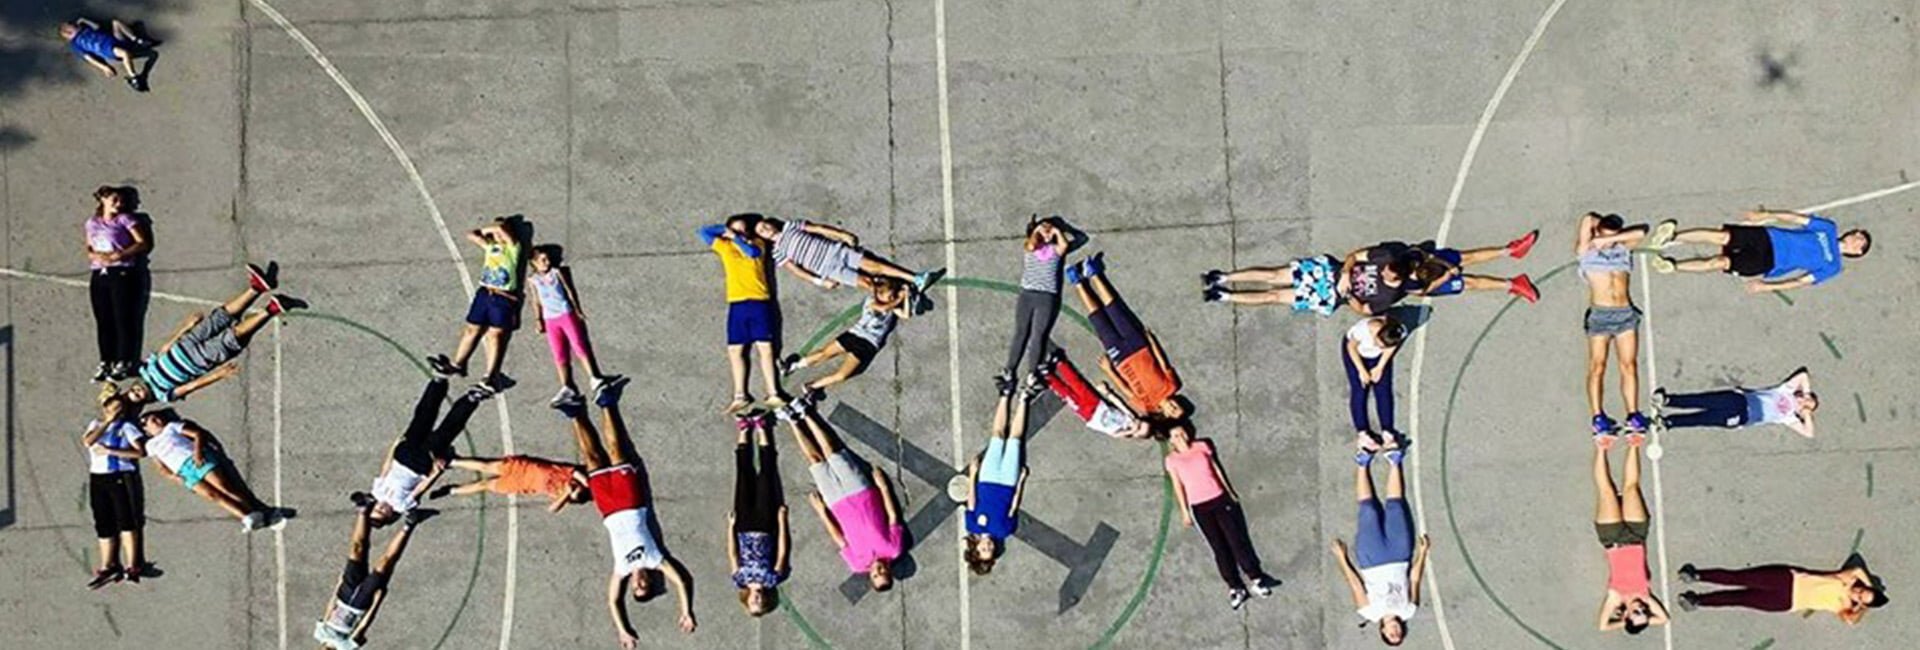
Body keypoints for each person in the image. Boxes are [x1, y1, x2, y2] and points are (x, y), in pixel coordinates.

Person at [566, 387, 697, 643]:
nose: (639, 584)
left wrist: (623, 630)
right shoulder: (654, 559)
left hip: (608, 509)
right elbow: (682, 581)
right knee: (616, 451)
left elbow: (613, 600)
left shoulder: (622, 568)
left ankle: (575, 413)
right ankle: (606, 403)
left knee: (592, 458)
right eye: (644, 586)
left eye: (636, 588)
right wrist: (686, 611)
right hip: (631, 502)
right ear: (651, 581)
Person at [119, 263, 305, 406]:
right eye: (138, 396)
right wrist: (218, 375)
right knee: (232, 338)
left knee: (220, 316)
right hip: (198, 360)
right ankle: (271, 309)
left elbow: (164, 349)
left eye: (133, 390)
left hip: (186, 343)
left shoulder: (146, 370)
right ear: (145, 400)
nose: (137, 391)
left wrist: (186, 327)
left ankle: (257, 288)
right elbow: (192, 385)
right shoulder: (164, 395)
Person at [777, 395, 904, 592]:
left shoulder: (857, 564)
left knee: (815, 460)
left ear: (870, 576)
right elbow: (893, 517)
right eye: (883, 572)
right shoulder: (893, 549)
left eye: (875, 575)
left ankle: (792, 420)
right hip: (861, 492)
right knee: (832, 453)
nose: (878, 570)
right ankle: (805, 412)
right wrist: (883, 487)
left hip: (837, 504)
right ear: (889, 571)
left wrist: (822, 511)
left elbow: (839, 539)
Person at [1163, 422, 1281, 609]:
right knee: (1219, 548)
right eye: (1175, 436)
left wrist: (1229, 491)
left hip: (1219, 498)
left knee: (1237, 540)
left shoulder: (1202, 446)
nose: (1180, 437)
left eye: (1181, 432)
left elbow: (1216, 469)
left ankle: (1256, 578)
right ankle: (1235, 587)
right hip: (1200, 507)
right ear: (1171, 441)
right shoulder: (1172, 460)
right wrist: (1185, 511)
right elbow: (1178, 485)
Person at [1331, 446, 1432, 646]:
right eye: (1399, 634)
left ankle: (1363, 464)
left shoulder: (1369, 612)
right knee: (1396, 505)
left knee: (1368, 509)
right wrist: (1422, 554)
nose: (1395, 632)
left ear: (1383, 631)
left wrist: (1342, 558)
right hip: (1399, 555)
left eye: (1391, 635)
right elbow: (1414, 579)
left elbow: (1355, 584)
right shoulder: (1408, 610)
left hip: (1372, 559)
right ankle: (1395, 461)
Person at [130, 409, 292, 531]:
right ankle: (247, 517)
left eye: (157, 417)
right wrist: (175, 477)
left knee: (224, 488)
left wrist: (198, 453)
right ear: (146, 429)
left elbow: (197, 434)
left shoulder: (171, 427)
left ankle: (258, 511)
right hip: (183, 472)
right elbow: (160, 466)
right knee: (213, 496)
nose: (157, 420)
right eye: (152, 420)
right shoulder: (150, 445)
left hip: (195, 460)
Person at [1067, 254, 1185, 419]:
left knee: (1098, 319)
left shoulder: (1147, 407)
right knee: (1115, 309)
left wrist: (1109, 371)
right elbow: (1163, 363)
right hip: (1139, 348)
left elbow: (1125, 390)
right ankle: (1093, 274)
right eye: (1176, 406)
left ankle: (1078, 282)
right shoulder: (1173, 386)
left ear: (1165, 415)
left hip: (1121, 360)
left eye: (1172, 411)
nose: (1172, 407)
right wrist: (1152, 341)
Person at [366, 375, 494, 527]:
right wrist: (435, 472)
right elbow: (420, 488)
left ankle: (438, 382)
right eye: (382, 512)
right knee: (447, 430)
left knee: (423, 417)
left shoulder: (377, 492)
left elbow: (385, 470)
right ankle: (472, 398)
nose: (380, 507)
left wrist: (393, 448)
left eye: (376, 509)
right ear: (389, 515)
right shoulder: (401, 505)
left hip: (402, 455)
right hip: (419, 465)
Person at [312, 494, 435, 650]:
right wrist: (377, 602)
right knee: (384, 564)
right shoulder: (346, 647)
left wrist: (338, 585)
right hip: (361, 603)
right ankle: (410, 523)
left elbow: (329, 610)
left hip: (344, 593)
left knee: (357, 549)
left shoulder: (320, 634)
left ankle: (364, 508)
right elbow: (364, 625)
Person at [1647, 209, 1871, 293]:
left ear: (1856, 254)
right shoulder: (1828, 229)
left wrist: (1768, 287)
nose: (1855, 240)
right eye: (1858, 235)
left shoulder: (1832, 266)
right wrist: (1767, 215)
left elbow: (1801, 281)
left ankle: (1672, 266)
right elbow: (1796, 219)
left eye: (1860, 244)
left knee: (1720, 262)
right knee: (1722, 236)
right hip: (1768, 236)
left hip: (1769, 262)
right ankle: (1672, 236)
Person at [1576, 213, 1655, 435]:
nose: (1609, 242)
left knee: (1629, 365)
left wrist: (1611, 239)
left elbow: (1642, 231)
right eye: (1604, 236)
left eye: (1614, 237)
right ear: (1597, 232)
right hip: (1600, 314)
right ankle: (1598, 417)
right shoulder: (1586, 251)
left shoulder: (1622, 249)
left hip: (1624, 313)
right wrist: (1598, 239)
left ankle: (1633, 415)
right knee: (1597, 366)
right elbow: (1588, 218)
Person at [700, 215, 787, 413]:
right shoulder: (724, 246)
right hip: (737, 303)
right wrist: (727, 232)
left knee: (766, 349)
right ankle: (740, 395)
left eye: (744, 230)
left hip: (759, 301)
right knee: (735, 350)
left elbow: (752, 253)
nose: (742, 233)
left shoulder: (757, 244)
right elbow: (703, 232)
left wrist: (737, 238)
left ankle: (773, 392)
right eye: (737, 230)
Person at [429, 217, 527, 391]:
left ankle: (490, 375)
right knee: (471, 330)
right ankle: (458, 364)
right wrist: (488, 233)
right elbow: (471, 235)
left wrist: (497, 229)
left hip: (503, 296)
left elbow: (501, 230)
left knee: (494, 335)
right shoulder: (491, 247)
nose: (498, 235)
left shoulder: (513, 248)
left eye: (502, 232)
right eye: (495, 234)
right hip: (484, 293)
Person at [1591, 426, 1671, 635]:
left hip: (1612, 538)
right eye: (1645, 612)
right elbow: (1664, 619)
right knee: (1631, 487)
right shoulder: (1644, 595)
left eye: (1637, 613)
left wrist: (1622, 623)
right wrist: (1641, 617)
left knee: (1606, 490)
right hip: (1637, 536)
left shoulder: (1616, 597)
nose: (1642, 608)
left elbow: (1602, 626)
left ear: (1626, 614)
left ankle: (1601, 447)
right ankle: (1634, 443)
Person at [525, 244, 624, 407]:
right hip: (550, 319)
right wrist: (538, 319)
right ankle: (566, 386)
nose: (547, 262)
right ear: (534, 263)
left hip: (565, 313)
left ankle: (593, 378)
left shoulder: (557, 273)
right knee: (558, 352)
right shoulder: (533, 280)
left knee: (579, 345)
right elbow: (536, 300)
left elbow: (569, 291)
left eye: (547, 258)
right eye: (542, 260)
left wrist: (577, 310)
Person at [780, 274, 912, 395]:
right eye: (890, 296)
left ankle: (812, 386)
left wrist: (906, 297)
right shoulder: (871, 301)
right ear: (879, 294)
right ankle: (793, 366)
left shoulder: (891, 306)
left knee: (842, 375)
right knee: (824, 353)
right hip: (854, 334)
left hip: (868, 344)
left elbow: (905, 315)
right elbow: (882, 308)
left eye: (893, 295)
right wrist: (900, 298)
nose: (892, 298)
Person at [755, 216, 945, 296]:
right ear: (762, 237)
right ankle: (903, 294)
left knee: (875, 266)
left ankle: (916, 278)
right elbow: (798, 271)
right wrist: (821, 282)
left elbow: (819, 229)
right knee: (867, 283)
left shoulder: (790, 226)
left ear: (771, 223)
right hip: (828, 269)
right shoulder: (777, 253)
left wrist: (842, 235)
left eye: (765, 225)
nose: (765, 229)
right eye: (761, 231)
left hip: (836, 251)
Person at [83, 399, 156, 588]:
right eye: (114, 408)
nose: (117, 412)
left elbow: (140, 452)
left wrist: (111, 451)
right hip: (98, 478)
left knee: (126, 520)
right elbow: (88, 441)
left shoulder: (127, 427)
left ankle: (132, 565)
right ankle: (108, 565)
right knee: (103, 522)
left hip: (119, 476)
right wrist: (107, 422)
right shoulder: (96, 424)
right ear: (105, 409)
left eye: (120, 409)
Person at [964, 383, 1036, 575]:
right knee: (1015, 439)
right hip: (1007, 482)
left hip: (986, 479)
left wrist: (973, 474)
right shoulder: (1005, 530)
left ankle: (1005, 395)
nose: (988, 546)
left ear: (975, 548)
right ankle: (1024, 398)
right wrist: (1021, 481)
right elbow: (1013, 506)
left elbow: (971, 501)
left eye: (983, 549)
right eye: (990, 550)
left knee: (997, 435)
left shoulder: (971, 525)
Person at [85, 186, 153, 381]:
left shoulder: (125, 220)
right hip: (99, 273)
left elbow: (142, 243)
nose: (118, 203)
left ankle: (124, 360)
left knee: (122, 318)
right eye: (114, 199)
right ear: (103, 200)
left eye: (121, 200)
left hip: (121, 271)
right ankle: (106, 361)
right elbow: (88, 246)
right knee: (103, 320)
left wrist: (120, 254)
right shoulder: (92, 223)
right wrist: (94, 255)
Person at [1676, 562, 1884, 622]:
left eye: (1861, 597)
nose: (1858, 593)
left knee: (1739, 598)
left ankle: (1698, 601)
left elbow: (1851, 621)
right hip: (1787, 579)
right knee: (1739, 577)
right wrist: (1871, 586)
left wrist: (1863, 606)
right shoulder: (1846, 580)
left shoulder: (1844, 607)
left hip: (1785, 603)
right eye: (1862, 590)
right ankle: (1697, 575)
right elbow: (1857, 570)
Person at [728, 411, 789, 617]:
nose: (758, 600)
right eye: (762, 603)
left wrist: (730, 527)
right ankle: (763, 430)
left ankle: (744, 430)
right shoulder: (773, 579)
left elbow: (733, 553)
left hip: (743, 527)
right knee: (766, 477)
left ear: (746, 600)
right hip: (765, 526)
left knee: (743, 476)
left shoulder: (739, 579)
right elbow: (782, 552)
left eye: (754, 603)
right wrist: (782, 521)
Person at [1000, 216, 1071, 387]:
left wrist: (1055, 231)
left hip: (1047, 296)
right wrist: (1038, 229)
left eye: (1049, 231)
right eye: (1043, 231)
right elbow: (1031, 244)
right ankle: (1010, 369)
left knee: (1038, 335)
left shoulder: (1055, 250)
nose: (1047, 234)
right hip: (1027, 295)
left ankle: (1032, 372)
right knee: (1021, 332)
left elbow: (1065, 245)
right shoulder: (1030, 247)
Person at [1653, 367, 1817, 437]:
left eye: (1807, 406)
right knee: (1702, 400)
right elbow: (1803, 375)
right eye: (1807, 398)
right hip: (1739, 400)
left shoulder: (1789, 418)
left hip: (1742, 418)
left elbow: (1809, 433)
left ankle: (1669, 422)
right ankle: (1668, 400)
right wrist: (1807, 393)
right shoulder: (1785, 391)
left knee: (1703, 419)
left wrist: (1806, 414)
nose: (1804, 402)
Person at [1036, 349, 1151, 439]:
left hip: (1090, 416)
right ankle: (1060, 364)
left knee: (1068, 396)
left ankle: (1049, 377)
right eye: (1140, 422)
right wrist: (1108, 393)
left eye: (1139, 428)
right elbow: (1120, 404)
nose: (1137, 423)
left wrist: (1130, 431)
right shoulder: (1129, 417)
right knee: (1078, 385)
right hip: (1097, 404)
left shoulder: (1123, 431)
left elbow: (1115, 435)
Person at [1403, 231, 1540, 303]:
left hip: (1432, 263)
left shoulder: (1402, 258)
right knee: (1469, 282)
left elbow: (1421, 253)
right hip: (1431, 282)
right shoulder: (1408, 285)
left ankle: (1511, 250)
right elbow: (1422, 291)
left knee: (1467, 257)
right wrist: (1445, 277)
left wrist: (1447, 265)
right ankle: (1514, 284)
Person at [426, 454, 589, 513]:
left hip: (518, 484)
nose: (573, 487)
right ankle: (451, 462)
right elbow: (582, 476)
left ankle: (451, 490)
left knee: (485, 485)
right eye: (576, 486)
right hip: (521, 466)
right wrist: (583, 484)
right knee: (486, 466)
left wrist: (567, 493)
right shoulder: (567, 473)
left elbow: (552, 509)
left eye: (574, 491)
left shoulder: (560, 495)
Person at [1201, 254, 1343, 315]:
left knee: (1273, 297)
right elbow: (1353, 256)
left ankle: (1223, 296)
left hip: (1331, 296)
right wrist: (1347, 271)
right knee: (1273, 275)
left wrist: (1350, 298)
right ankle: (1222, 277)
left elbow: (1357, 307)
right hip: (1329, 271)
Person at [1344, 315, 1408, 451]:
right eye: (1377, 343)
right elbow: (1351, 347)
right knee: (1359, 389)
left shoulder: (1398, 333)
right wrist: (1362, 370)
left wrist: (1380, 367)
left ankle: (1387, 431)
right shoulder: (1363, 329)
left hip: (1376, 357)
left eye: (1381, 346)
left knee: (1383, 390)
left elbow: (1391, 348)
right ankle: (1363, 433)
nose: (1377, 346)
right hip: (1357, 353)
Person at [58, 17, 158, 92]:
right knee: (125, 54)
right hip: (108, 49)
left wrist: (85, 20)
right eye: (73, 26)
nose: (76, 25)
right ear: (68, 33)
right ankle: (133, 77)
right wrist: (104, 67)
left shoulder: (85, 29)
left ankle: (137, 40)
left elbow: (97, 26)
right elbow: (89, 58)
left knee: (116, 23)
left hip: (115, 40)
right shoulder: (76, 44)